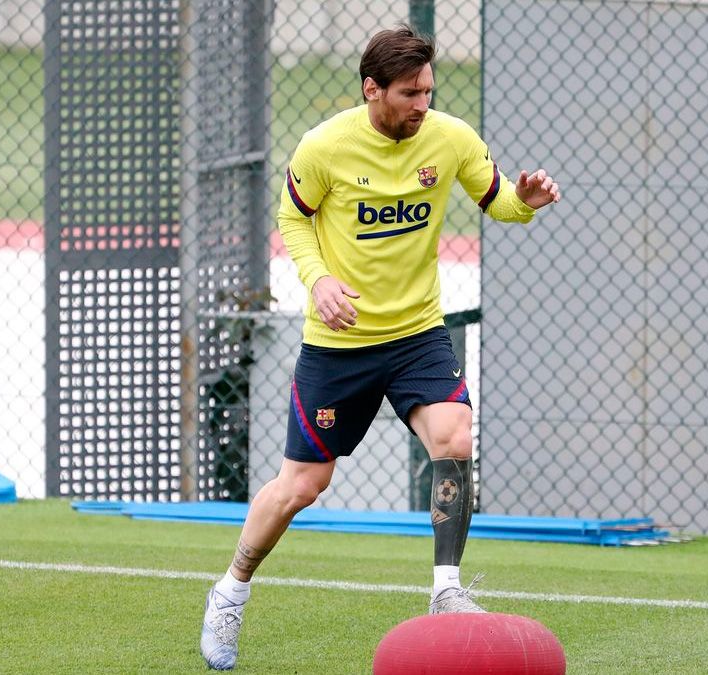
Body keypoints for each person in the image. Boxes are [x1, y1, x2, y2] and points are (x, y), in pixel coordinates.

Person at [199, 24, 561, 670]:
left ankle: (446, 588)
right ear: (373, 90)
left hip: (419, 332)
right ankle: (231, 588)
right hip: (340, 345)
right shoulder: (325, 146)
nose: (423, 102)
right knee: (302, 484)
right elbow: (293, 215)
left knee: (455, 437)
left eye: (428, 89)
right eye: (409, 92)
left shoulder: (450, 139)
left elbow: (496, 198)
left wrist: (524, 202)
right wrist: (320, 280)